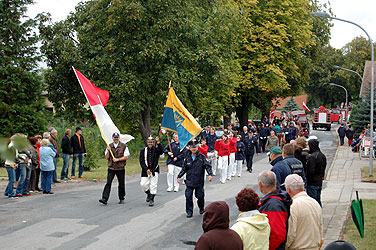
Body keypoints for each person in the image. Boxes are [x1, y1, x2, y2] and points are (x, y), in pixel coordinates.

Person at [285, 174, 323, 250]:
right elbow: (320, 227)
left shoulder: (293, 206)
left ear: (288, 190)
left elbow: (291, 234)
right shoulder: (315, 203)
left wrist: (285, 246)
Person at [177, 139, 213, 218]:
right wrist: (179, 176)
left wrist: (210, 174)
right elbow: (184, 168)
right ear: (189, 148)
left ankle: (201, 207)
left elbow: (207, 166)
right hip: (189, 181)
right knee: (188, 196)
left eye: (195, 147)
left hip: (199, 181)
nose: (194, 148)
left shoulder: (202, 157)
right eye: (192, 147)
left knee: (200, 196)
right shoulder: (187, 158)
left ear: (197, 147)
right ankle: (189, 211)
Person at [258, 170, 291, 250]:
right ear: (275, 182)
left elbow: (277, 235)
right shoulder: (278, 198)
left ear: (260, 185)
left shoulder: (273, 205)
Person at [99, 132, 129, 205]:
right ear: (112, 138)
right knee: (108, 183)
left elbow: (126, 157)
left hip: (120, 167)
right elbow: (106, 157)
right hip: (111, 168)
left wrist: (118, 159)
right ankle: (104, 198)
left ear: (119, 138)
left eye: (117, 137)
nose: (116, 139)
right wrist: (108, 151)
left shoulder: (124, 146)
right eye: (114, 137)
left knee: (121, 183)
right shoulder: (109, 146)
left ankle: (121, 197)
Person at [139, 136, 164, 207]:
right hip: (145, 170)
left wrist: (158, 142)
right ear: (147, 143)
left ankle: (152, 199)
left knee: (153, 185)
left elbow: (161, 151)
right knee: (143, 184)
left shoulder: (156, 150)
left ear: (153, 143)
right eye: (149, 142)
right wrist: (146, 169)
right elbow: (141, 161)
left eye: (152, 142)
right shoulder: (143, 150)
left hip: (154, 170)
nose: (150, 143)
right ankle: (148, 194)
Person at [306, 138, 326, 206]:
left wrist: (307, 179)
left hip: (312, 183)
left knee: (313, 202)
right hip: (319, 181)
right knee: (318, 200)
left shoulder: (312, 157)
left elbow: (311, 171)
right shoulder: (322, 155)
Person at [4, 135, 18, 199]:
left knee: (11, 179)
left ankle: (7, 191)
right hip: (10, 164)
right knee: (12, 179)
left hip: (9, 164)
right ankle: (11, 194)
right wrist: (18, 161)